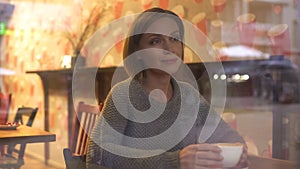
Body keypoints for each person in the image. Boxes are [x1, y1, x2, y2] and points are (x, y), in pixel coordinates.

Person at [86, 7, 248, 169]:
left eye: (174, 39)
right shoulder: (122, 95)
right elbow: (97, 155)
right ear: (138, 52)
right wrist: (173, 161)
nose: (169, 49)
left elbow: (228, 136)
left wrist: (239, 152)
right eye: (156, 41)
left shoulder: (189, 96)